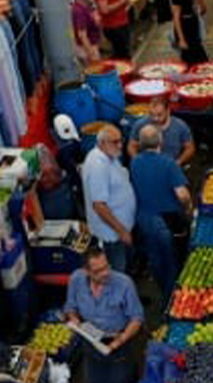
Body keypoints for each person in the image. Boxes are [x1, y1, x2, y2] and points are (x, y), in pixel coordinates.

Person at [65, 247, 144, 383]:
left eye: (106, 266)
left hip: (118, 343)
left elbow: (137, 318)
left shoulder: (124, 284)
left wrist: (119, 341)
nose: (105, 273)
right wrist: (74, 319)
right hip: (91, 342)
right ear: (86, 271)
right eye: (98, 271)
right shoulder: (76, 279)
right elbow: (70, 306)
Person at [129, 124, 191, 298]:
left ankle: (163, 292)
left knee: (156, 260)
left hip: (145, 222)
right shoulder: (168, 164)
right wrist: (187, 209)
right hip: (167, 223)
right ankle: (173, 300)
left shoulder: (135, 163)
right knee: (173, 262)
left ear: (140, 143)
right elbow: (182, 195)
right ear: (161, 141)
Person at [82, 124, 137, 272]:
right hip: (112, 233)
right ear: (102, 143)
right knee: (117, 269)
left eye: (121, 140)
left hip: (120, 228)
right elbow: (99, 206)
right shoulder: (98, 166)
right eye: (115, 142)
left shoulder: (109, 156)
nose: (120, 145)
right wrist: (122, 231)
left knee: (125, 263)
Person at [127, 97, 195, 166]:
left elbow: (190, 148)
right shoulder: (140, 125)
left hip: (170, 165)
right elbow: (131, 146)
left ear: (168, 111)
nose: (155, 118)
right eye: (151, 114)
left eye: (159, 115)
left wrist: (178, 162)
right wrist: (138, 160)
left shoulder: (180, 126)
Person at [72, 0, 104, 65]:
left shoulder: (87, 4)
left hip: (92, 45)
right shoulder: (79, 10)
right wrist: (91, 54)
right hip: (87, 48)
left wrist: (96, 20)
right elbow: (82, 36)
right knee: (94, 71)